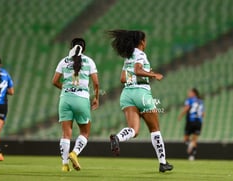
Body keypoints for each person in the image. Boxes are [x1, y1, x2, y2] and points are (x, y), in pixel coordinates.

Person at [107, 30, 173, 172]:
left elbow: (123, 79)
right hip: (141, 94)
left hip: (126, 95)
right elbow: (137, 70)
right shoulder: (140, 54)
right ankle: (163, 163)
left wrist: (146, 73)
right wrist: (153, 74)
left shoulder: (128, 57)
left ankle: (118, 138)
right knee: (155, 129)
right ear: (142, 41)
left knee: (134, 130)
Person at [52, 38, 99, 172]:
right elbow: (96, 83)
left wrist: (66, 88)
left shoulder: (64, 61)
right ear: (84, 49)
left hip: (65, 99)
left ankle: (64, 164)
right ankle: (75, 153)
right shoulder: (89, 61)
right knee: (85, 132)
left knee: (66, 134)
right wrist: (96, 98)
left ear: (71, 47)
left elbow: (54, 81)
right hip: (82, 99)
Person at [178, 88, 204, 160]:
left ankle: (190, 146)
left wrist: (180, 115)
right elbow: (203, 113)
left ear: (194, 93)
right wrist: (202, 122)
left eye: (190, 92)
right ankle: (192, 155)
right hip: (199, 122)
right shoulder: (200, 101)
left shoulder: (189, 100)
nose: (188, 94)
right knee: (194, 140)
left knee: (186, 139)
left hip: (191, 121)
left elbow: (187, 108)